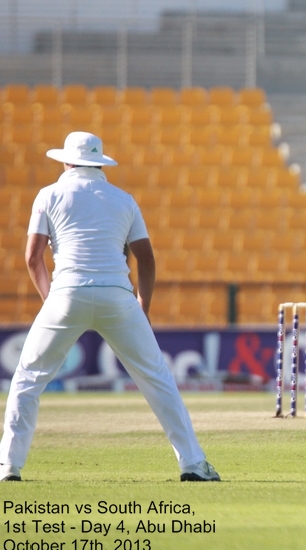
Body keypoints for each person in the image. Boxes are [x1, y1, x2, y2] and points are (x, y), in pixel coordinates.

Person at [0, 132, 220, 482]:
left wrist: (52, 301)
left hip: (66, 292)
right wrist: (142, 308)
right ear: (100, 163)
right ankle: (193, 463)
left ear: (67, 161)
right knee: (156, 378)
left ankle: (8, 466)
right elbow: (146, 259)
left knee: (27, 378)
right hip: (117, 295)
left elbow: (32, 257)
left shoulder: (49, 195)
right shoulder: (123, 199)